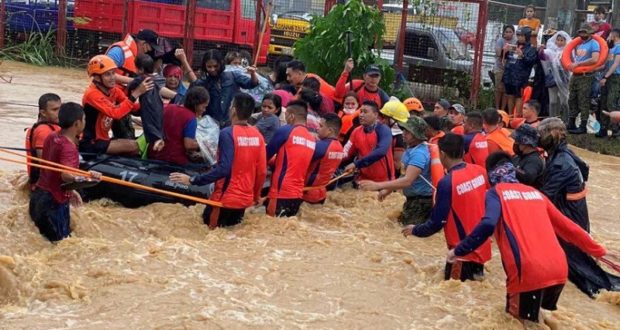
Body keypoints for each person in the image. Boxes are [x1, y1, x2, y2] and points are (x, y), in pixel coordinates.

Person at [448, 151, 610, 328]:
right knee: (534, 320)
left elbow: (487, 225)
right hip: (558, 270)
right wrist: (599, 251)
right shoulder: (536, 193)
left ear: (491, 176)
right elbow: (569, 228)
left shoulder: (495, 194)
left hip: (528, 270)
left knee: (516, 323)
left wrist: (459, 250)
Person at [537, 118, 620, 296]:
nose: (539, 137)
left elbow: (543, 195)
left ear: (552, 136)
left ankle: (606, 289)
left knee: (578, 266)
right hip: (575, 209)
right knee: (578, 255)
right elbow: (585, 169)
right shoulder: (565, 153)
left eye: (541, 134)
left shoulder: (561, 163)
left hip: (570, 213)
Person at [170, 93, 267, 228]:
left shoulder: (227, 133)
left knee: (206, 234)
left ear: (233, 110)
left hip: (224, 199)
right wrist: (255, 197)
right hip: (244, 201)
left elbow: (224, 168)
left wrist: (193, 180)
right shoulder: (258, 136)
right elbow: (262, 171)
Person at [402, 133, 491, 282]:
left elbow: (437, 223)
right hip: (481, 246)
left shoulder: (447, 182)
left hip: (461, 252)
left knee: (454, 298)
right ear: (463, 152)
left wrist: (415, 230)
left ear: (442, 154)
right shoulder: (479, 171)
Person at [29, 103, 101, 242]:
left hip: (38, 196)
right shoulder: (69, 148)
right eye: (84, 120)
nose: (85, 122)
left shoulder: (52, 136)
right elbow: (66, 175)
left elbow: (52, 171)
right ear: (77, 123)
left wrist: (72, 191)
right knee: (61, 245)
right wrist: (88, 178)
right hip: (53, 203)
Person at [359, 116, 432, 226]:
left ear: (416, 135)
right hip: (414, 200)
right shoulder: (411, 149)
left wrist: (377, 185)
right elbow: (403, 175)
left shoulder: (419, 154)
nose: (403, 133)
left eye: (407, 131)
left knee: (408, 233)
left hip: (421, 203)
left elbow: (408, 180)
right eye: (404, 130)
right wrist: (387, 190)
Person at [80, 55, 152, 156]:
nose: (113, 78)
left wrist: (154, 108)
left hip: (103, 139)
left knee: (133, 143)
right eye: (107, 75)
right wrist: (136, 93)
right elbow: (115, 113)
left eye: (113, 73)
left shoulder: (114, 91)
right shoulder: (92, 94)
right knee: (135, 146)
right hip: (91, 143)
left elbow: (132, 108)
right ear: (97, 77)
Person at [266, 100, 316, 217]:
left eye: (286, 115)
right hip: (298, 194)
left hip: (280, 192)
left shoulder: (286, 130)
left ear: (291, 116)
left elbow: (265, 155)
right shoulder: (312, 139)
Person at [190, 49, 258, 127]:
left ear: (221, 64)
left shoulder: (233, 76)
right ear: (205, 66)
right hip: (211, 125)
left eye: (215, 66)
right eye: (209, 67)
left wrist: (253, 74)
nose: (212, 69)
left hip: (230, 123)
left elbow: (252, 83)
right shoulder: (203, 83)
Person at [149, 86, 209, 165]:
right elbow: (189, 145)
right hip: (173, 160)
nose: (204, 110)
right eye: (203, 107)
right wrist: (204, 144)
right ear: (196, 104)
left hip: (153, 154)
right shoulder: (190, 118)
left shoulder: (168, 107)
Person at [343, 101, 394, 183]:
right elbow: (346, 153)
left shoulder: (383, 130)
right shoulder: (356, 131)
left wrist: (356, 164)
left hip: (384, 182)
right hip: (363, 180)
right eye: (361, 111)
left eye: (365, 112)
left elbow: (381, 151)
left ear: (376, 115)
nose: (361, 115)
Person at [303, 113, 345, 204]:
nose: (317, 128)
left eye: (321, 126)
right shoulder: (340, 147)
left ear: (330, 130)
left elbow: (298, 160)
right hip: (322, 192)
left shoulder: (321, 146)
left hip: (307, 193)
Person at [127, 54, 165, 152]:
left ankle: (156, 141)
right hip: (158, 105)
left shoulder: (140, 79)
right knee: (156, 122)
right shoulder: (154, 79)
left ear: (140, 69)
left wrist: (127, 96)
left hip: (148, 105)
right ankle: (159, 138)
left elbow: (130, 86)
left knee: (148, 124)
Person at [567, 24, 601, 134]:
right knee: (572, 98)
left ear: (590, 33)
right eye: (581, 32)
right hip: (575, 75)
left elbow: (595, 59)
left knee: (583, 100)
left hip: (586, 75)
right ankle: (571, 122)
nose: (582, 35)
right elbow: (577, 57)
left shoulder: (594, 44)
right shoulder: (580, 44)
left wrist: (578, 64)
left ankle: (583, 125)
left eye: (584, 32)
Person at [25, 93, 61, 185]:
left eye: (60, 108)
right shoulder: (44, 131)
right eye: (55, 110)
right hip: (43, 186)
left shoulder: (52, 125)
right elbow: (45, 166)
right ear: (43, 112)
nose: (59, 113)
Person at [503, 27, 537, 117]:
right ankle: (510, 116)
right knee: (510, 95)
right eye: (518, 35)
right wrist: (505, 51)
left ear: (527, 36)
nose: (519, 38)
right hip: (509, 75)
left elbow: (531, 62)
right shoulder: (514, 46)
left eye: (522, 35)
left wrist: (522, 55)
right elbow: (507, 58)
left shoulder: (531, 49)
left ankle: (517, 116)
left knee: (518, 96)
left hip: (520, 77)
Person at [539, 31, 571, 123]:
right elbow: (543, 57)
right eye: (558, 40)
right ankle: (552, 120)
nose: (560, 42)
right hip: (552, 79)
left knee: (564, 101)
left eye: (562, 40)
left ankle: (566, 120)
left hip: (564, 79)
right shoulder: (551, 51)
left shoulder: (568, 51)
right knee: (552, 101)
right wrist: (541, 50)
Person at [597, 28, 620, 138]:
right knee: (603, 102)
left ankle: (616, 129)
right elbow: (606, 64)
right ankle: (603, 128)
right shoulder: (611, 49)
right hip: (607, 77)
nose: (608, 38)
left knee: (612, 102)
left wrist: (606, 77)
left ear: (614, 36)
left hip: (615, 77)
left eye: (609, 36)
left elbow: (616, 64)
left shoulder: (619, 47)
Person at [511, 124, 544, 188]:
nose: (515, 143)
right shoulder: (518, 157)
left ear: (525, 143)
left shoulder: (534, 160)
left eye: (517, 141)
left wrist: (511, 169)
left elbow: (528, 178)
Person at [495, 25, 517, 110]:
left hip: (510, 69)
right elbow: (498, 53)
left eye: (510, 32)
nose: (508, 34)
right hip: (500, 67)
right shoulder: (500, 40)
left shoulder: (515, 41)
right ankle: (497, 108)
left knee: (505, 90)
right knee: (498, 88)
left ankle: (503, 109)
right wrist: (504, 50)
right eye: (506, 32)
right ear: (503, 33)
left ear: (513, 33)